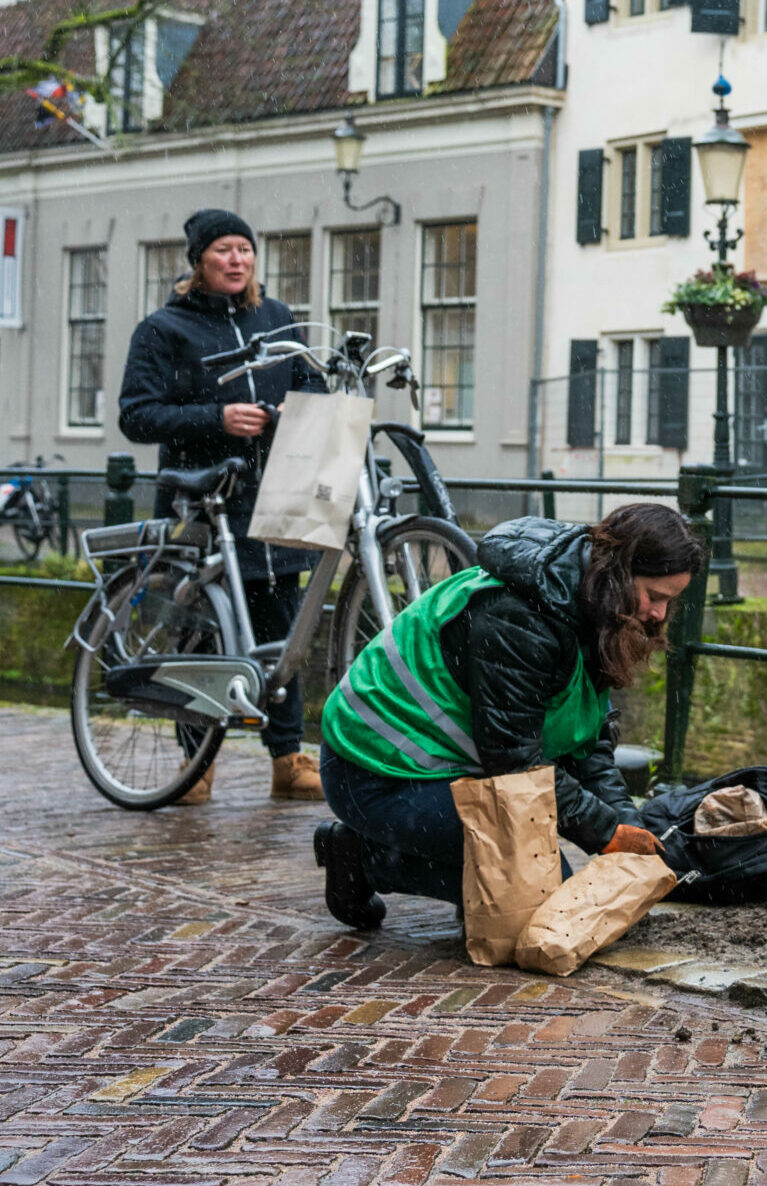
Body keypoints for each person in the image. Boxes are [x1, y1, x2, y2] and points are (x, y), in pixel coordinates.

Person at [310, 504, 701, 931]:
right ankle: (362, 861)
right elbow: (515, 765)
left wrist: (627, 826)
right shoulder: (520, 619)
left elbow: (587, 745)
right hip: (372, 771)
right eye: (655, 596)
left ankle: (470, 876)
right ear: (621, 574)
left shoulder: (590, 601)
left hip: (445, 765)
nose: (660, 615)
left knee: (538, 886)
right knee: (542, 893)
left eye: (670, 601)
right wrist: (606, 833)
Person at [118, 208, 326, 804]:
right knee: (202, 635)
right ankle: (196, 763)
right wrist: (217, 419)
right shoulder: (164, 329)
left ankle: (288, 759)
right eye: (223, 251)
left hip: (276, 495)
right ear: (199, 263)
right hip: (203, 499)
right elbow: (136, 415)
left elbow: (309, 385)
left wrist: (295, 411)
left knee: (283, 633)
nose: (236, 260)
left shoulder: (278, 319)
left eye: (244, 249)